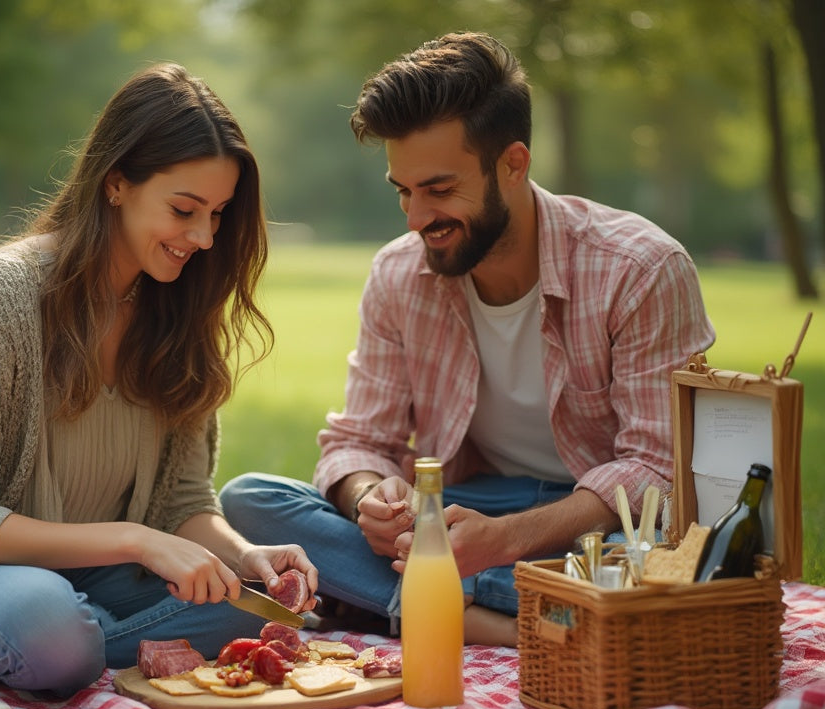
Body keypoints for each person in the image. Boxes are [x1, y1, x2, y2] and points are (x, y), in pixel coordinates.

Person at [0, 63, 318, 696]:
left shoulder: (178, 309)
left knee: (254, 607)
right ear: (116, 184)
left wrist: (245, 557)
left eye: (217, 214)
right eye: (184, 210)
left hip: (103, 579)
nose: (205, 238)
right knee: (50, 623)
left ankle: (97, 638)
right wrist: (138, 541)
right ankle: (95, 640)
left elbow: (184, 503)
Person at [220, 32, 715, 646]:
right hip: (466, 507)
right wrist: (369, 499)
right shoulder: (399, 273)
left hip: (593, 513)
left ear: (513, 164)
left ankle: (406, 603)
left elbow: (658, 468)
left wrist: (505, 540)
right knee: (250, 501)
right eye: (404, 190)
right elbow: (357, 442)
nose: (415, 218)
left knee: (649, 557)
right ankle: (533, 616)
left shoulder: (640, 268)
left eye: (439, 189)